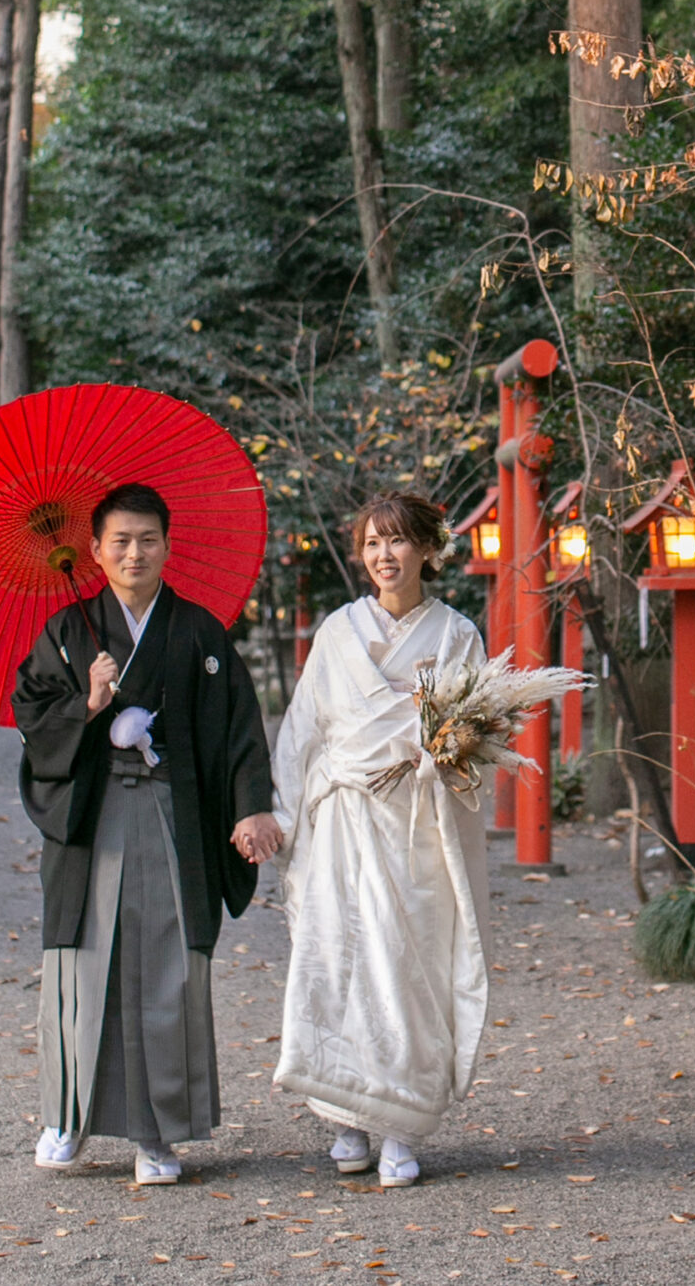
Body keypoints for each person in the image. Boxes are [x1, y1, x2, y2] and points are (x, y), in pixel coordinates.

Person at [11, 482, 282, 1186]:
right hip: (93, 817)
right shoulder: (68, 633)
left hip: (172, 815)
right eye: (120, 541)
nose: (134, 552)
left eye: (148, 539)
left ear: (167, 546)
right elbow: (31, 715)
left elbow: (239, 733)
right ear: (95, 550)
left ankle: (157, 1133)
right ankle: (67, 1117)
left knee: (166, 969)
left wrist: (251, 807)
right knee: (84, 965)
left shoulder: (197, 633)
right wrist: (89, 704)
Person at [267, 491, 491, 1188]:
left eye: (397, 542)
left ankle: (400, 1125)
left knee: (403, 970)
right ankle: (348, 1119)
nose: (383, 556)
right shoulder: (337, 631)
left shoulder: (456, 635)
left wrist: (447, 753)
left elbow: (478, 738)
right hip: (340, 820)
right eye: (371, 544)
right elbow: (304, 730)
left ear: (428, 548)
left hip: (418, 827)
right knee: (338, 963)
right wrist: (282, 813)